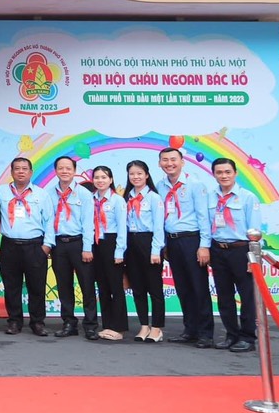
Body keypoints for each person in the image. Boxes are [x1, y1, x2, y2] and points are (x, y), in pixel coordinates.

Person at [158, 146, 214, 347]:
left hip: (192, 240)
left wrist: (204, 245)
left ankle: (205, 333)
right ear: (160, 163)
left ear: (182, 162)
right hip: (172, 241)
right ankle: (190, 330)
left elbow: (203, 217)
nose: (169, 164)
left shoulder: (195, 185)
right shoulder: (160, 185)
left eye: (173, 159)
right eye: (165, 160)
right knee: (182, 288)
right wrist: (165, 244)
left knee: (199, 287)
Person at [0, 157, 54, 336]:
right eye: (17, 168)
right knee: (11, 286)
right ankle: (14, 321)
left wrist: (46, 246)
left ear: (31, 172)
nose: (21, 172)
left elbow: (50, 220)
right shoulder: (1, 192)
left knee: (36, 286)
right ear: (12, 172)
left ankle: (37, 322)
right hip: (9, 245)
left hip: (34, 246)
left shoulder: (41, 194)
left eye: (24, 169)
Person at [208, 157, 260, 353]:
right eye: (219, 172)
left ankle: (248, 337)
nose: (224, 176)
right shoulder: (210, 197)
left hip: (241, 250)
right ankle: (231, 335)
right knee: (224, 295)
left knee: (246, 295)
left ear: (235, 173)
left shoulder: (248, 197)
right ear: (214, 174)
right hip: (218, 250)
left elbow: (255, 230)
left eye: (227, 172)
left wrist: (252, 258)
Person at [47, 155, 98, 339]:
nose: (65, 171)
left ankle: (90, 325)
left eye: (68, 168)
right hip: (59, 244)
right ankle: (69, 323)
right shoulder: (49, 193)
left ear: (74, 171)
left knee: (87, 285)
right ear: (56, 171)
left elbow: (88, 222)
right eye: (61, 168)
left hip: (79, 244)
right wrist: (49, 244)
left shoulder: (84, 193)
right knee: (64, 285)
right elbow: (48, 220)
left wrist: (87, 248)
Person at [123, 160, 165, 342]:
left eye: (139, 173)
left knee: (154, 289)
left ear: (147, 175)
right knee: (138, 288)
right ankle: (144, 326)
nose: (136, 177)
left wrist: (156, 250)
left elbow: (159, 226)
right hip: (131, 244)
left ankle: (156, 328)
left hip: (149, 243)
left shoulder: (154, 198)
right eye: (132, 174)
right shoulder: (126, 197)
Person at [87, 165, 128, 341]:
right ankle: (108, 325)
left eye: (104, 177)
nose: (100, 180)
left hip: (112, 243)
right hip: (96, 244)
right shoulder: (91, 199)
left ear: (110, 180)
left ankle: (119, 328)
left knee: (115, 287)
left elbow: (122, 228)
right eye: (97, 177)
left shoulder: (117, 200)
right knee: (102, 287)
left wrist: (119, 251)